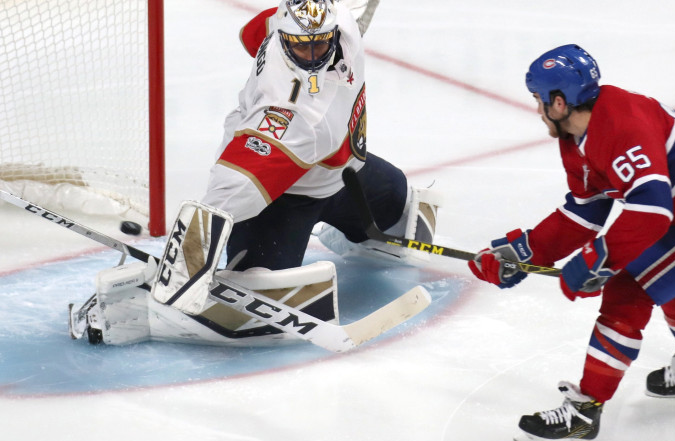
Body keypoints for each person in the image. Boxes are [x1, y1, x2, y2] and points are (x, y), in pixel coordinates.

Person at [69, 0, 440, 347]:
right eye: (300, 47)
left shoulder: (334, 22)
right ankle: (145, 304)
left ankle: (355, 224)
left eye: (318, 44)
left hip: (342, 176)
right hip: (283, 196)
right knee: (256, 276)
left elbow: (252, 33)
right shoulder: (297, 117)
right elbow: (231, 191)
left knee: (395, 198)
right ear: (284, 36)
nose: (312, 56)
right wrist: (183, 267)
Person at [468, 44, 675, 441]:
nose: (537, 109)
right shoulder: (576, 136)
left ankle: (583, 414)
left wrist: (601, 259)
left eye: (539, 100)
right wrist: (526, 252)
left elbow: (652, 212)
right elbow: (586, 211)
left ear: (559, 102)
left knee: (630, 289)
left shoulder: (620, 126)